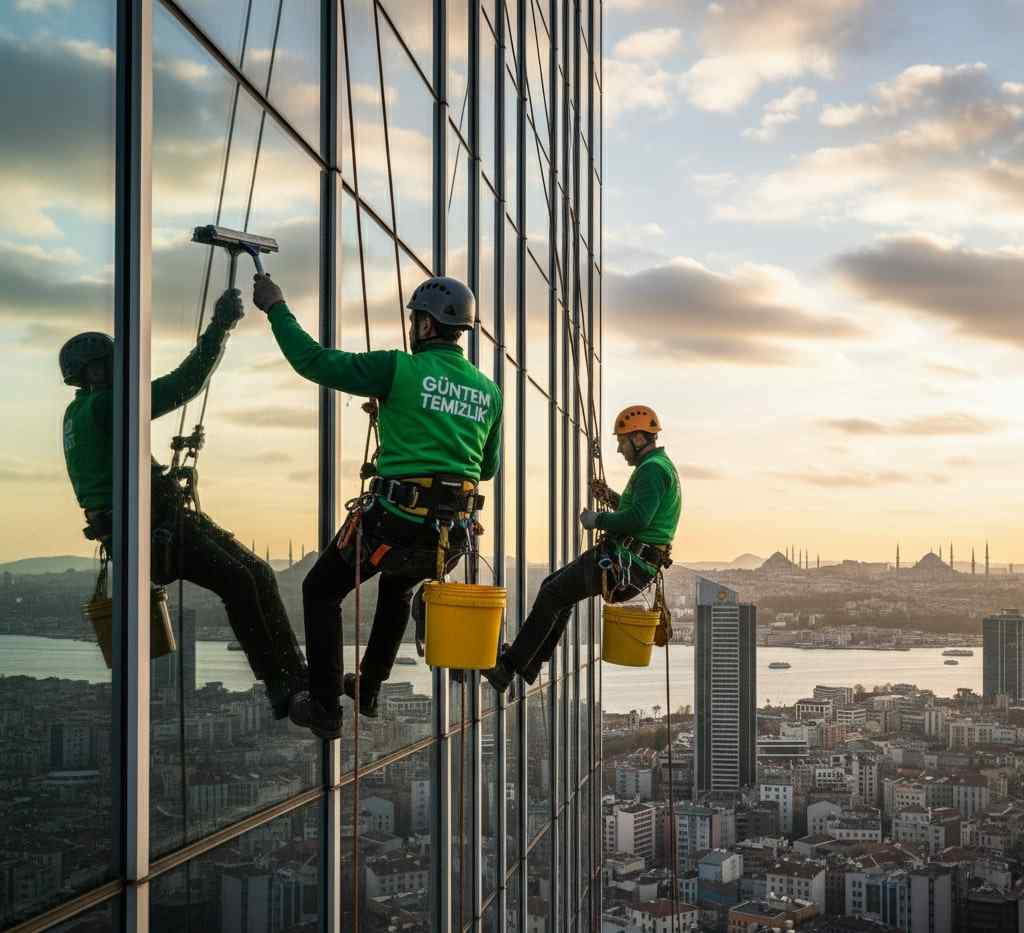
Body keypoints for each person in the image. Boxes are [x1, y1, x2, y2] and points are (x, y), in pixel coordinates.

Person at [253, 272, 502, 738]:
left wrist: (276, 307)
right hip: (450, 535)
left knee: (321, 590)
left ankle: (326, 706)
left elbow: (313, 361)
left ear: (426, 325)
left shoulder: (397, 368)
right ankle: (367, 688)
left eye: (415, 321)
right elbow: (486, 467)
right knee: (398, 589)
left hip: (394, 523)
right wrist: (402, 415)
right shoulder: (489, 392)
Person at [59, 289, 309, 718]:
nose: (121, 371)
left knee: (259, 573)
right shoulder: (104, 406)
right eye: (112, 364)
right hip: (153, 526)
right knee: (241, 580)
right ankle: (281, 684)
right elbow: (183, 385)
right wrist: (219, 327)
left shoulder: (77, 414)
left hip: (149, 524)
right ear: (95, 371)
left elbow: (114, 467)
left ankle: (293, 676)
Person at [484, 405, 680, 692]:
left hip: (626, 562)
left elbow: (639, 519)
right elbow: (641, 511)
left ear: (638, 438)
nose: (620, 449)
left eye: (622, 442)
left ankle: (509, 668)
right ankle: (528, 662)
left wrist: (596, 519)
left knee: (553, 594)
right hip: (632, 563)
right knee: (554, 590)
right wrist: (610, 497)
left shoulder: (652, 470)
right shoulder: (660, 467)